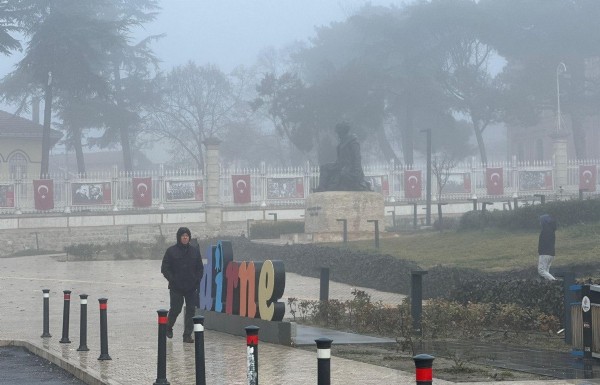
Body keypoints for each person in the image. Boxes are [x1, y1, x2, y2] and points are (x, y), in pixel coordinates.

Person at [161, 227, 204, 343]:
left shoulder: (195, 251)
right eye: (183, 236)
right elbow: (164, 268)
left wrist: (197, 280)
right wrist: (172, 279)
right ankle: (168, 327)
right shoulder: (171, 251)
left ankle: (187, 335)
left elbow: (200, 268)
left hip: (191, 287)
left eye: (187, 236)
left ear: (189, 237)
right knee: (176, 309)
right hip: (176, 287)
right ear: (179, 237)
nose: (185, 237)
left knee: (191, 311)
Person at [314, 122, 371, 192]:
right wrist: (334, 165)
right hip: (339, 165)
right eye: (338, 133)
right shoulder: (341, 143)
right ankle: (321, 188)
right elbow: (339, 158)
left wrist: (357, 171)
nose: (338, 135)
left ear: (343, 132)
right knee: (324, 167)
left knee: (343, 174)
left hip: (350, 167)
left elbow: (357, 158)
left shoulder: (353, 142)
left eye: (339, 132)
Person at [538, 214, 557, 281]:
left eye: (540, 221)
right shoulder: (551, 230)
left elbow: (544, 242)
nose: (539, 223)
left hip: (545, 253)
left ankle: (555, 282)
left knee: (541, 271)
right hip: (551, 253)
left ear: (544, 222)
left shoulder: (545, 231)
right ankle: (550, 284)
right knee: (546, 271)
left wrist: (540, 251)